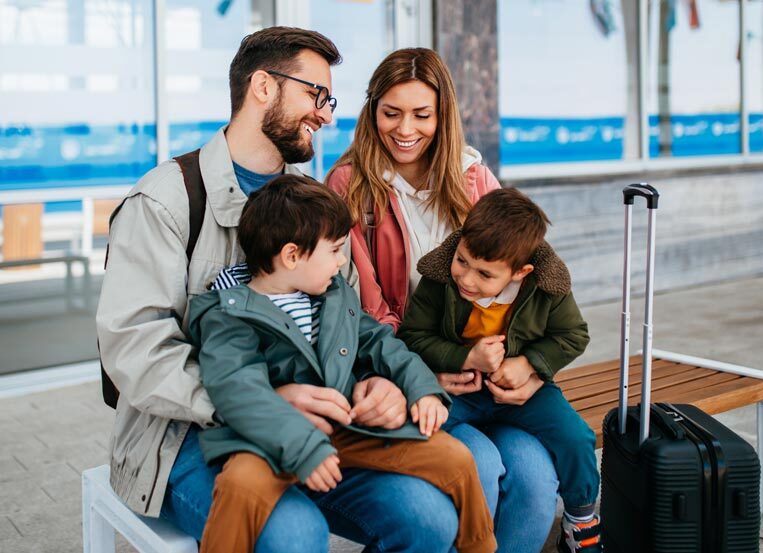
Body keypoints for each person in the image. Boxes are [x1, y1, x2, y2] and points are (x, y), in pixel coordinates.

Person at [97, 28, 466, 552]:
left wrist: (376, 381)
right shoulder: (164, 201)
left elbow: (348, 321)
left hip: (317, 425)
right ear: (264, 87)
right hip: (189, 434)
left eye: (329, 99)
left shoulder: (311, 205)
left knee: (428, 517)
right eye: (316, 95)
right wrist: (262, 403)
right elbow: (134, 351)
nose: (328, 114)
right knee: (295, 533)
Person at [325, 47, 561, 550]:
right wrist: (424, 371)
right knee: (480, 465)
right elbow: (365, 310)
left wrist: (532, 365)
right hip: (406, 373)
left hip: (485, 379)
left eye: (421, 114)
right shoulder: (350, 186)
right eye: (390, 113)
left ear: (443, 114)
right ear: (371, 112)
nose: (404, 128)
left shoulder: (474, 178)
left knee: (536, 480)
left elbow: (534, 285)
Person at [189, 175, 495, 553]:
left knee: (456, 457)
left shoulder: (333, 296)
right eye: (334, 250)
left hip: (348, 428)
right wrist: (302, 446)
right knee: (239, 487)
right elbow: (237, 388)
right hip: (270, 441)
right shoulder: (229, 313)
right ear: (291, 256)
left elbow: (381, 344)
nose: (342, 260)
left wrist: (422, 389)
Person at [398, 188, 600, 553]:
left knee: (576, 437)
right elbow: (413, 336)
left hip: (522, 393)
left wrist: (530, 365)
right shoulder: (440, 278)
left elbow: (573, 335)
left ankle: (581, 518)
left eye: (484, 274)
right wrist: (465, 358)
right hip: (461, 390)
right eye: (462, 261)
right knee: (413, 423)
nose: (467, 279)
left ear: (520, 272)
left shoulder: (546, 287)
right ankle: (415, 522)